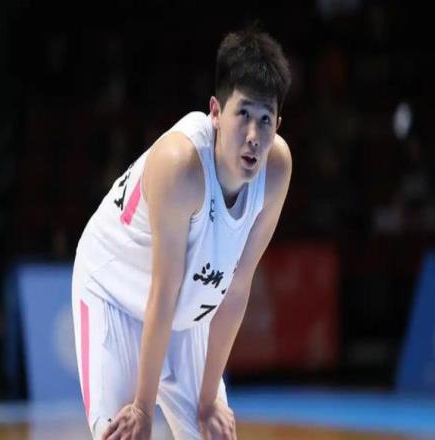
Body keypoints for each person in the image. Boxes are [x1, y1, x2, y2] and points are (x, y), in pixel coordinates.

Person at [71, 24, 292, 440]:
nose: (253, 136)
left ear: (277, 125)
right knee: (126, 435)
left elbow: (238, 286)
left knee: (214, 432)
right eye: (243, 114)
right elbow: (163, 289)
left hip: (185, 314)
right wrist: (142, 407)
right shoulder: (180, 165)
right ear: (215, 111)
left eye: (265, 120)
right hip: (115, 294)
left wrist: (209, 401)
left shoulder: (276, 170)